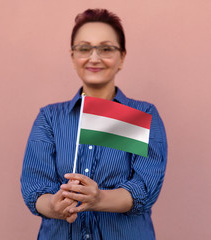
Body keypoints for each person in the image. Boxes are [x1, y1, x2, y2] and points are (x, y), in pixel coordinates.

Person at [21, 8, 167, 240]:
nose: (94, 57)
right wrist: (54, 206)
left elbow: (144, 189)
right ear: (72, 57)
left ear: (122, 57)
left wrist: (98, 199)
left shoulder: (142, 115)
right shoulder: (50, 117)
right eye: (84, 48)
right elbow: (35, 186)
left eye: (106, 48)